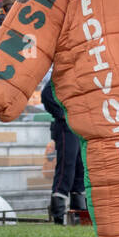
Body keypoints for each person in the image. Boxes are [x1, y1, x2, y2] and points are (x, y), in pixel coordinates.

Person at [42, 76, 85, 224]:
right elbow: (46, 95)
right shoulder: (62, 74)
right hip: (66, 127)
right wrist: (63, 115)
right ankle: (58, 215)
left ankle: (78, 214)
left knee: (80, 168)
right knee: (66, 168)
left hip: (79, 125)